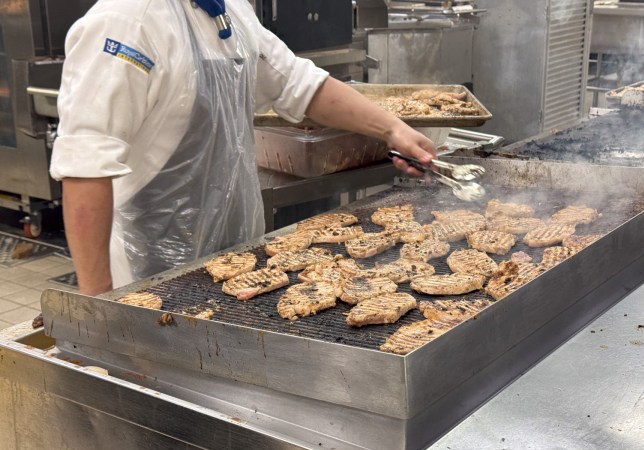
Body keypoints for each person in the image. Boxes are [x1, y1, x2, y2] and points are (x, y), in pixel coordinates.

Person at [50, 0, 436, 296]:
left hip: (238, 258)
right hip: (148, 272)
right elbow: (86, 167)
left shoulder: (227, 10)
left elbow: (295, 83)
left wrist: (393, 129)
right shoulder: (126, 23)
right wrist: (98, 308)